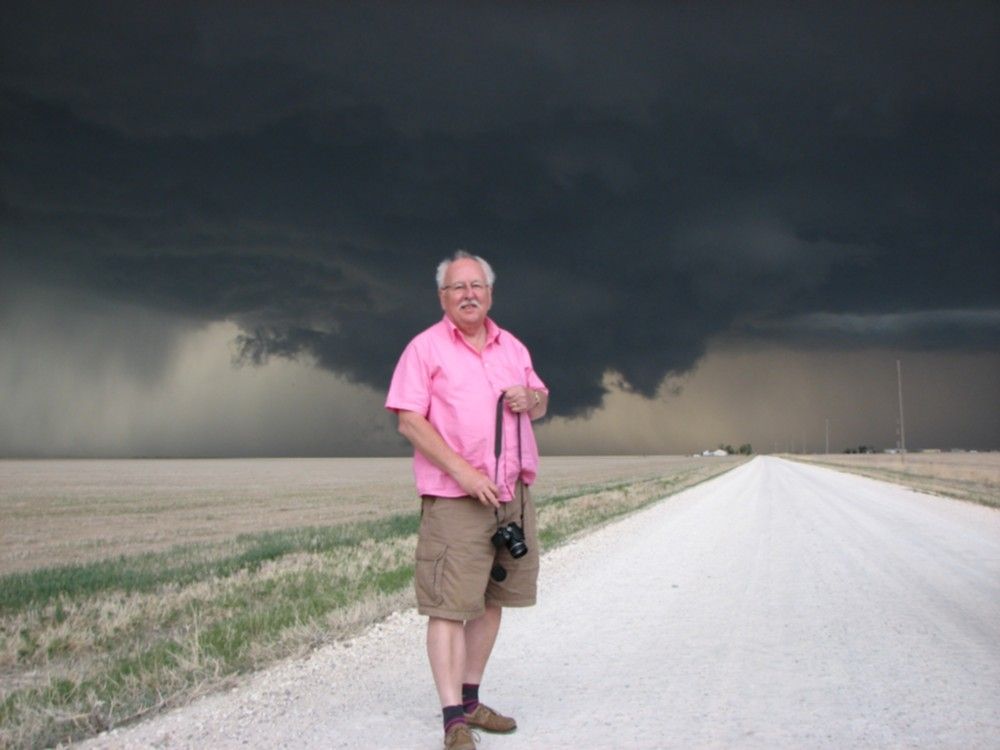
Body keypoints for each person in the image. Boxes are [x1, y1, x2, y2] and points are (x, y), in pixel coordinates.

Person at [385, 250, 549, 750]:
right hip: (456, 498)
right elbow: (409, 420)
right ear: (443, 297)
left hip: (511, 496)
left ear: (490, 294)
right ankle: (452, 720)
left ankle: (472, 699)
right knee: (448, 607)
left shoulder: (512, 347)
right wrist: (463, 472)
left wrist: (531, 398)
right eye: (458, 287)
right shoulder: (424, 349)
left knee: (491, 601)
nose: (469, 294)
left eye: (477, 285)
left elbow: (541, 400)